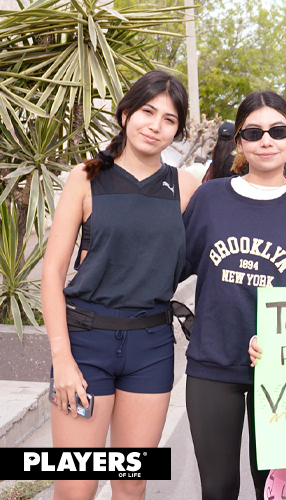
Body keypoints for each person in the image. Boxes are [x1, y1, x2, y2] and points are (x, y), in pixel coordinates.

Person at [41, 70, 200, 500]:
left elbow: (247, 212)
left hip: (150, 347)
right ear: (126, 114)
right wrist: (64, 360)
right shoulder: (86, 178)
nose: (156, 125)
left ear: (177, 130)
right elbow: (52, 275)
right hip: (85, 344)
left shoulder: (186, 187)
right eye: (148, 112)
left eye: (169, 119)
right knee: (76, 487)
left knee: (131, 487)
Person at [183, 90, 286, 500]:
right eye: (253, 132)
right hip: (213, 364)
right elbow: (176, 261)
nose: (266, 140)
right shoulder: (210, 199)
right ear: (239, 142)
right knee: (217, 489)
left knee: (275, 490)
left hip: (282, 373)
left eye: (278, 130)